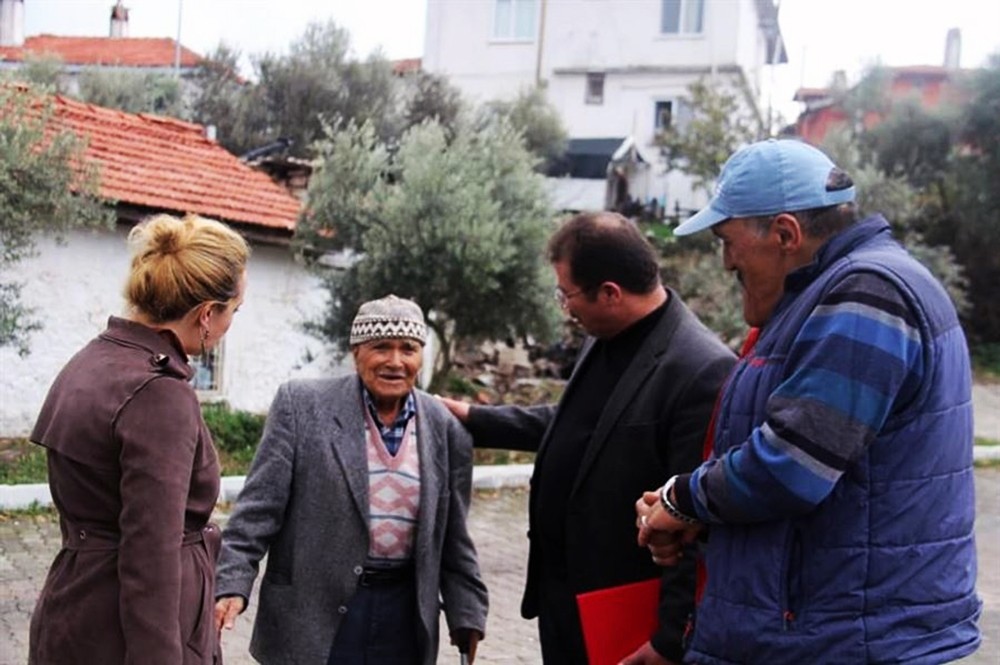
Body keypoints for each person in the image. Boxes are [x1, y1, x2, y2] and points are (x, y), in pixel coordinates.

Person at [636, 139, 982, 663]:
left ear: (785, 233)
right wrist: (701, 515)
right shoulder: (829, 295)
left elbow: (791, 465)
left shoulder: (868, 293)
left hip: (844, 639)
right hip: (829, 630)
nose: (726, 261)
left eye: (726, 240)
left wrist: (680, 499)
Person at [439, 212, 735, 664]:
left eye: (567, 295)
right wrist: (475, 417)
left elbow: (692, 519)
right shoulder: (605, 332)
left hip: (622, 617)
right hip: (564, 601)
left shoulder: (700, 370)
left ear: (611, 293)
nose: (566, 308)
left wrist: (669, 641)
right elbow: (579, 426)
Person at [214, 294, 488, 665]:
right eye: (381, 348)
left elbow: (454, 535)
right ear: (357, 352)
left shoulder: (445, 428)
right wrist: (232, 581)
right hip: (314, 611)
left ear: (420, 356)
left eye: (408, 348)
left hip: (403, 615)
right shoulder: (303, 406)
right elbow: (258, 509)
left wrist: (466, 611)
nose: (395, 361)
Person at [28, 213, 251, 664]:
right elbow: (151, 555)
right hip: (129, 630)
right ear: (207, 314)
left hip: (74, 604)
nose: (229, 325)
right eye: (233, 312)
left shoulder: (90, 360)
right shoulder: (160, 394)